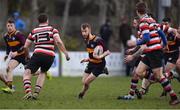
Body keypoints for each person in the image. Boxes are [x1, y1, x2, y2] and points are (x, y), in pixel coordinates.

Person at [117, 2, 179, 105]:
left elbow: (146, 38)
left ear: (137, 11)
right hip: (150, 52)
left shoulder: (143, 22)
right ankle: (131, 95)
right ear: (145, 10)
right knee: (137, 72)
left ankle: (174, 97)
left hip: (154, 52)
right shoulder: (151, 20)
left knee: (159, 76)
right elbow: (162, 32)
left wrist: (134, 42)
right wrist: (164, 43)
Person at [20, 13, 70, 100]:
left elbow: (25, 46)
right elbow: (58, 42)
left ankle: (28, 93)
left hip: (38, 54)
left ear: (38, 21)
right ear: (47, 21)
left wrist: (27, 56)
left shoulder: (34, 31)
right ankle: (36, 93)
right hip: (50, 56)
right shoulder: (52, 29)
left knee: (26, 73)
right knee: (43, 72)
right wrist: (65, 53)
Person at [78, 23, 110, 99]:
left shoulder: (98, 40)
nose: (83, 33)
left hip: (99, 64)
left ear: (89, 30)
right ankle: (102, 71)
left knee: (86, 82)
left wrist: (100, 56)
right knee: (84, 82)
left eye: (85, 31)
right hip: (91, 63)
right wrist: (87, 59)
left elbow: (107, 52)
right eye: (82, 31)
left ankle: (82, 94)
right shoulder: (86, 40)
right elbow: (92, 54)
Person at [1, 18, 27, 93]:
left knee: (32, 71)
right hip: (16, 57)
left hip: (24, 55)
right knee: (9, 68)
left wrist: (17, 52)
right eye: (8, 26)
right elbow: (8, 46)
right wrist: (7, 54)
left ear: (14, 26)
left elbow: (25, 46)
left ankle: (44, 72)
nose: (9, 27)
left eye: (11, 25)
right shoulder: (6, 36)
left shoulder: (19, 34)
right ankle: (10, 88)